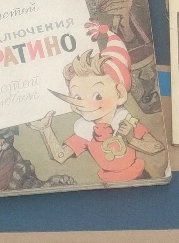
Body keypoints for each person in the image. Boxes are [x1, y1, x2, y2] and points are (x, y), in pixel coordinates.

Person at [31, 23, 163, 182]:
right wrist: (45, 129)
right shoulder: (84, 130)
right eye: (77, 97)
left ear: (120, 94)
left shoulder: (125, 121)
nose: (84, 104)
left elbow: (157, 147)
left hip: (141, 178)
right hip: (108, 185)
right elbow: (60, 156)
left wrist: (131, 139)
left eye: (97, 96)